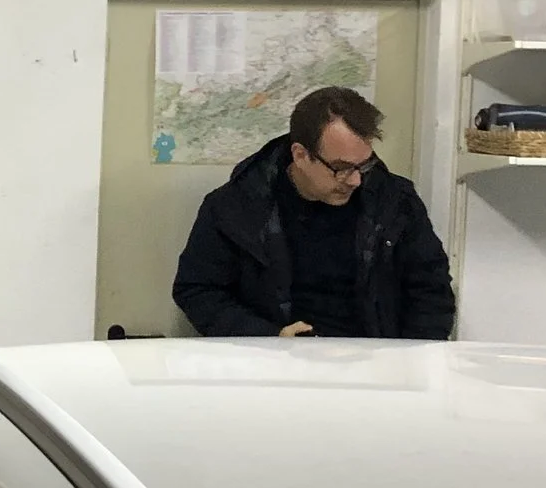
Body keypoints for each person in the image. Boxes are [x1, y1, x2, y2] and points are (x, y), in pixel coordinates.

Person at [172, 85, 455, 340]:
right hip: (273, 364)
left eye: (364, 165)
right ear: (300, 155)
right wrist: (268, 337)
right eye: (341, 168)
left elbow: (432, 292)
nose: (355, 180)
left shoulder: (395, 201)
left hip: (375, 362)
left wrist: (408, 362)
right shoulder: (236, 205)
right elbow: (198, 290)